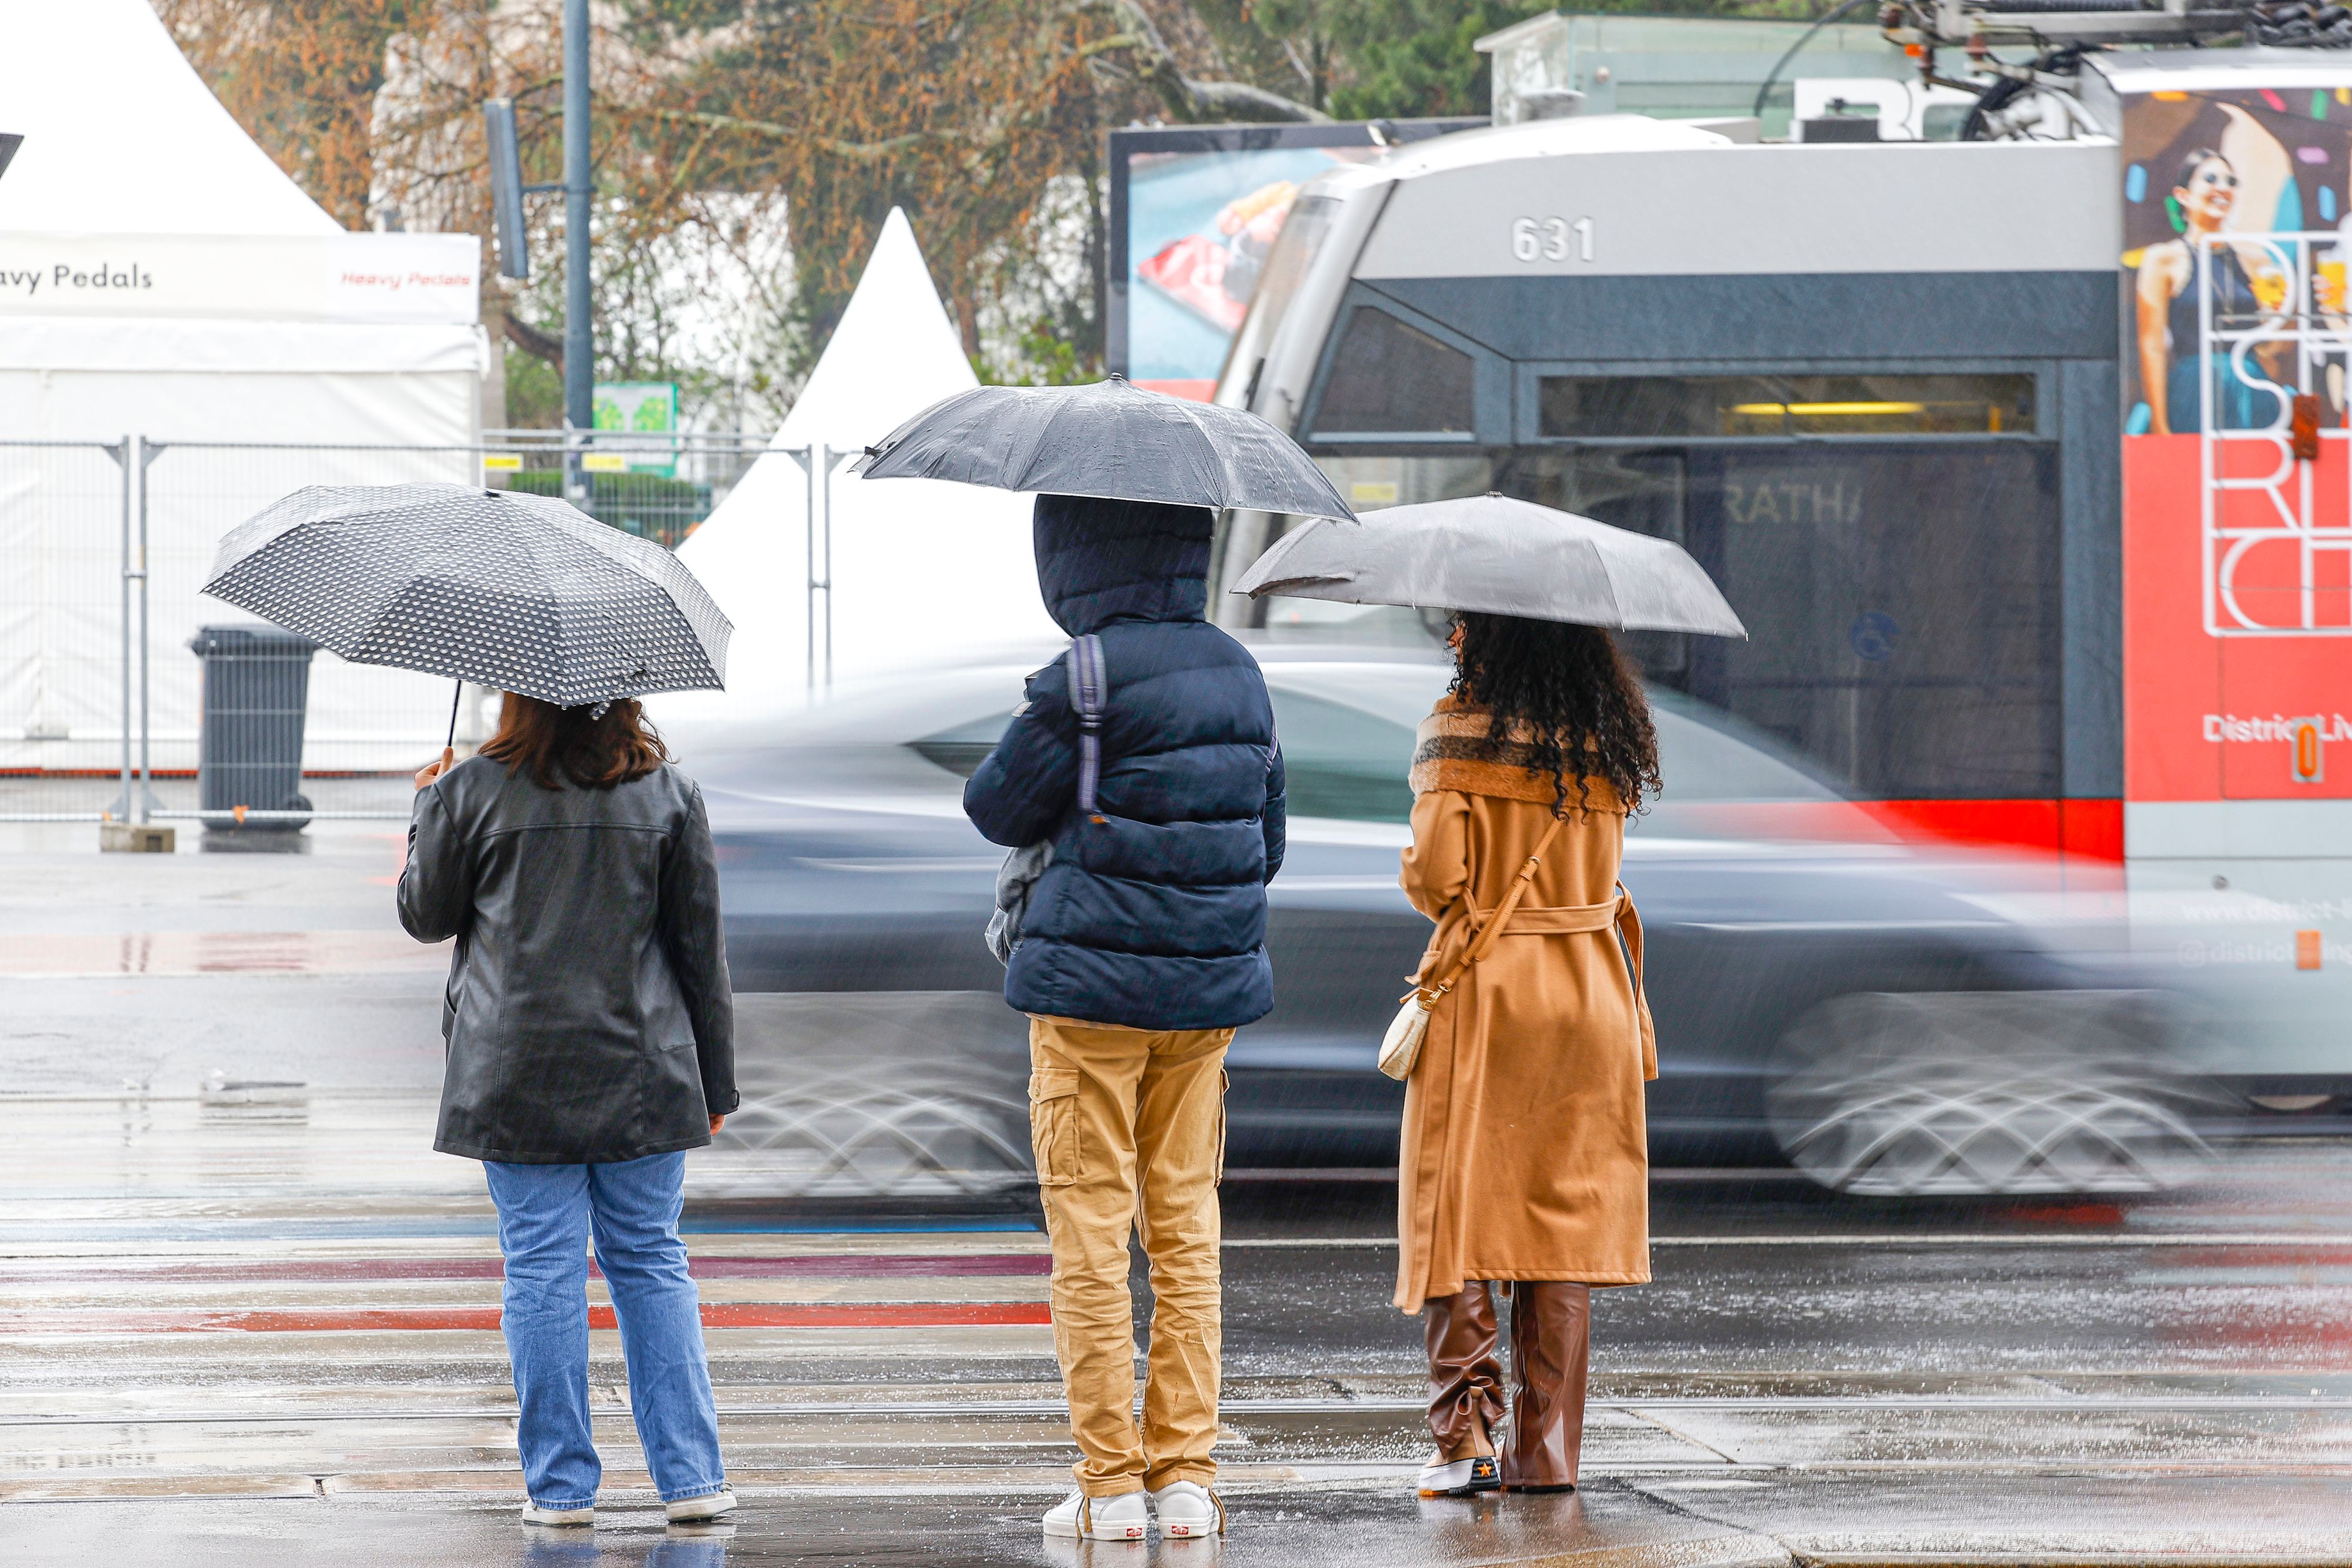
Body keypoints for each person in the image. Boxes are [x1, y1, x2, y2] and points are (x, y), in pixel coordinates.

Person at [964, 493, 1286, 1543]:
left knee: (1092, 1234)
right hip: (1205, 999)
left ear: (1075, 555)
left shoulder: (1085, 676)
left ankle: (1109, 1486)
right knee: (1186, 1227)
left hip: (1088, 1003)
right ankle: (1186, 1478)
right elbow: (1264, 839)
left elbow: (995, 807)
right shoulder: (1239, 672)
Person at [398, 694, 740, 1529]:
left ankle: (560, 1490)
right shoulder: (668, 795)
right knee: (651, 1260)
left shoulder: (470, 790)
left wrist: (427, 809)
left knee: (541, 1268)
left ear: (516, 696)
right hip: (643, 1073)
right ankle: (693, 1480)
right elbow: (702, 951)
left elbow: (424, 915)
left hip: (515, 1073)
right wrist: (716, 1084)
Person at [1395, 614, 1658, 1497]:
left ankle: (1466, 1436)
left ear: (1489, 635)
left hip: (1491, 993)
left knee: (1457, 1207)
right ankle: (1546, 1455)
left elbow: (1437, 878)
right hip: (1591, 992)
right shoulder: (1607, 736)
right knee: (1563, 1219)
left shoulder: (1458, 726)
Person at [2134, 147, 2286, 435]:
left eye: (2231, 182)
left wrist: (2279, 317)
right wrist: (2160, 423)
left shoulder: (2257, 260)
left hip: (2251, 387)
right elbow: (2151, 346)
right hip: (2194, 389)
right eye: (2211, 179)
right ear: (2184, 195)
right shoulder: (2162, 259)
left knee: (2254, 475)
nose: (2223, 188)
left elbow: (2278, 346)